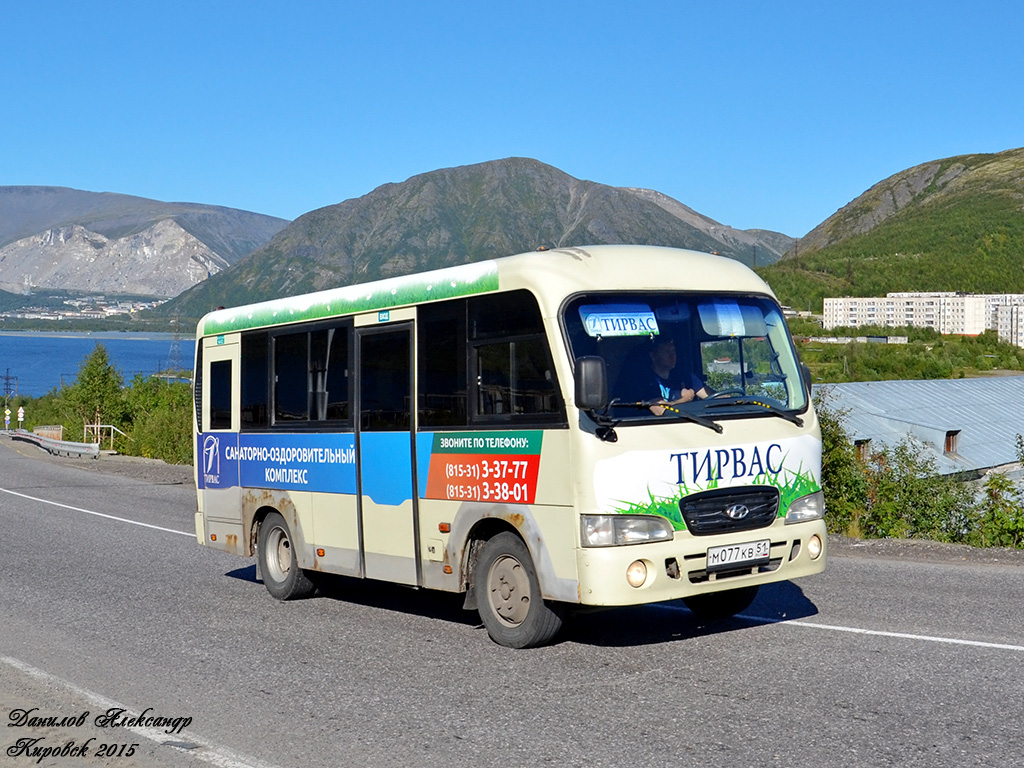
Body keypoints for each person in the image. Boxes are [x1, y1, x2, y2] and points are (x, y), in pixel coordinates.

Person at [617, 337, 711, 415]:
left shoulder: (685, 376)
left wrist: (725, 399)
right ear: (653, 356)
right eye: (667, 352)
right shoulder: (642, 380)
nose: (672, 355)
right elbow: (661, 411)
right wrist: (685, 399)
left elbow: (711, 396)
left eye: (673, 351)